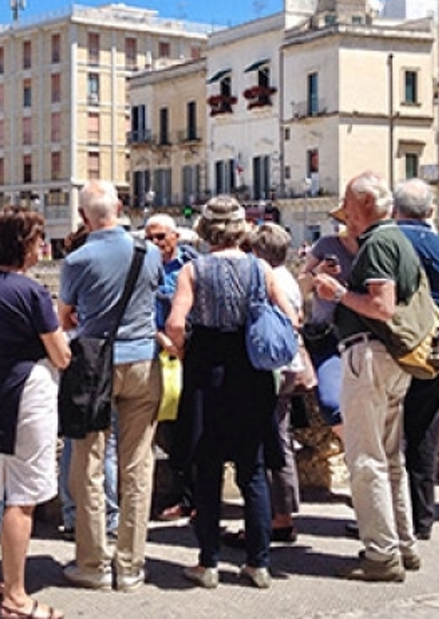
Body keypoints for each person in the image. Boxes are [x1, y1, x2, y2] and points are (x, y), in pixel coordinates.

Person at [166, 195, 298, 590]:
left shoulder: (194, 269)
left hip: (208, 371)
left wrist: (184, 348)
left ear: (206, 230)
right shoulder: (261, 268)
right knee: (252, 470)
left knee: (206, 469)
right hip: (251, 373)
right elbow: (292, 318)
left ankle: (208, 563)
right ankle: (258, 564)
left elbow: (175, 323)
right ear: (242, 230)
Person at [0, 206, 70, 619]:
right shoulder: (32, 292)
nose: (43, 247)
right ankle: (17, 597)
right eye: (39, 240)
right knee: (22, 497)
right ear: (25, 245)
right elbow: (60, 355)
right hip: (26, 391)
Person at [310, 171, 421, 583]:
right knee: (392, 458)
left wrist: (336, 292)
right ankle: (402, 544)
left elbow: (381, 305)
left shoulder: (376, 245)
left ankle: (381, 556)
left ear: (367, 206)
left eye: (348, 205)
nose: (345, 215)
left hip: (367, 355)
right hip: (395, 360)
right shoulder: (401, 242)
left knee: (365, 459)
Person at [59, 180, 162, 593]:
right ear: (119, 208)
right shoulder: (150, 252)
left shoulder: (77, 260)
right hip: (142, 363)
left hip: (95, 367)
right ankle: (132, 564)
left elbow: (65, 317)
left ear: (84, 217)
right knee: (138, 464)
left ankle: (94, 563)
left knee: (89, 463)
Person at [392, 179, 439, 542]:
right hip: (435, 352)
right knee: (424, 439)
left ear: (394, 209)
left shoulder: (384, 243)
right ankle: (423, 518)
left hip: (391, 350)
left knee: (384, 440)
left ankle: (389, 519)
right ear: (431, 212)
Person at [226, 223, 306, 547]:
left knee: (269, 443)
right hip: (289, 365)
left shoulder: (270, 280)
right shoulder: (289, 279)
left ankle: (276, 518)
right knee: (281, 440)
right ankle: (283, 514)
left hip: (271, 368)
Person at [56, 224, 120, 544]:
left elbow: (62, 317)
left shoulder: (76, 268)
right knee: (107, 448)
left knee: (74, 441)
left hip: (82, 358)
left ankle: (72, 512)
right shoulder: (122, 264)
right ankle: (108, 515)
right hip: (113, 358)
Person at [144, 213, 199, 523]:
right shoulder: (141, 268)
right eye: (150, 238)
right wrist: (161, 338)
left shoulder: (192, 267)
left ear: (176, 237)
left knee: (189, 429)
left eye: (161, 237)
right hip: (154, 353)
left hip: (188, 354)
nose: (156, 244)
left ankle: (191, 496)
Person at [296, 218, 358, 439]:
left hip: (366, 335)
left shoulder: (376, 247)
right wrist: (317, 273)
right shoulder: (326, 245)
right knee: (332, 402)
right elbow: (300, 289)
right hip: (327, 336)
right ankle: (357, 454)